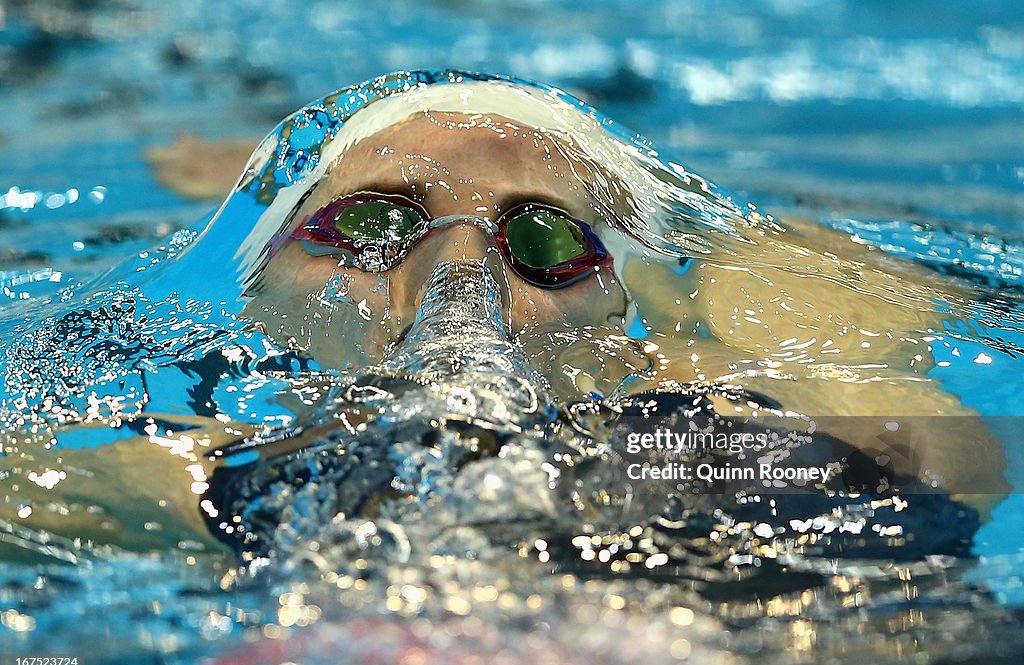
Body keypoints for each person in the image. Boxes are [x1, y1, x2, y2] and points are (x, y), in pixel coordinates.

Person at [0, 72, 1007, 561]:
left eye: (547, 243)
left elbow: (936, 454)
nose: (461, 270)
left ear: (628, 319)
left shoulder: (733, 412)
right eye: (371, 222)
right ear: (253, 286)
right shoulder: (179, 446)